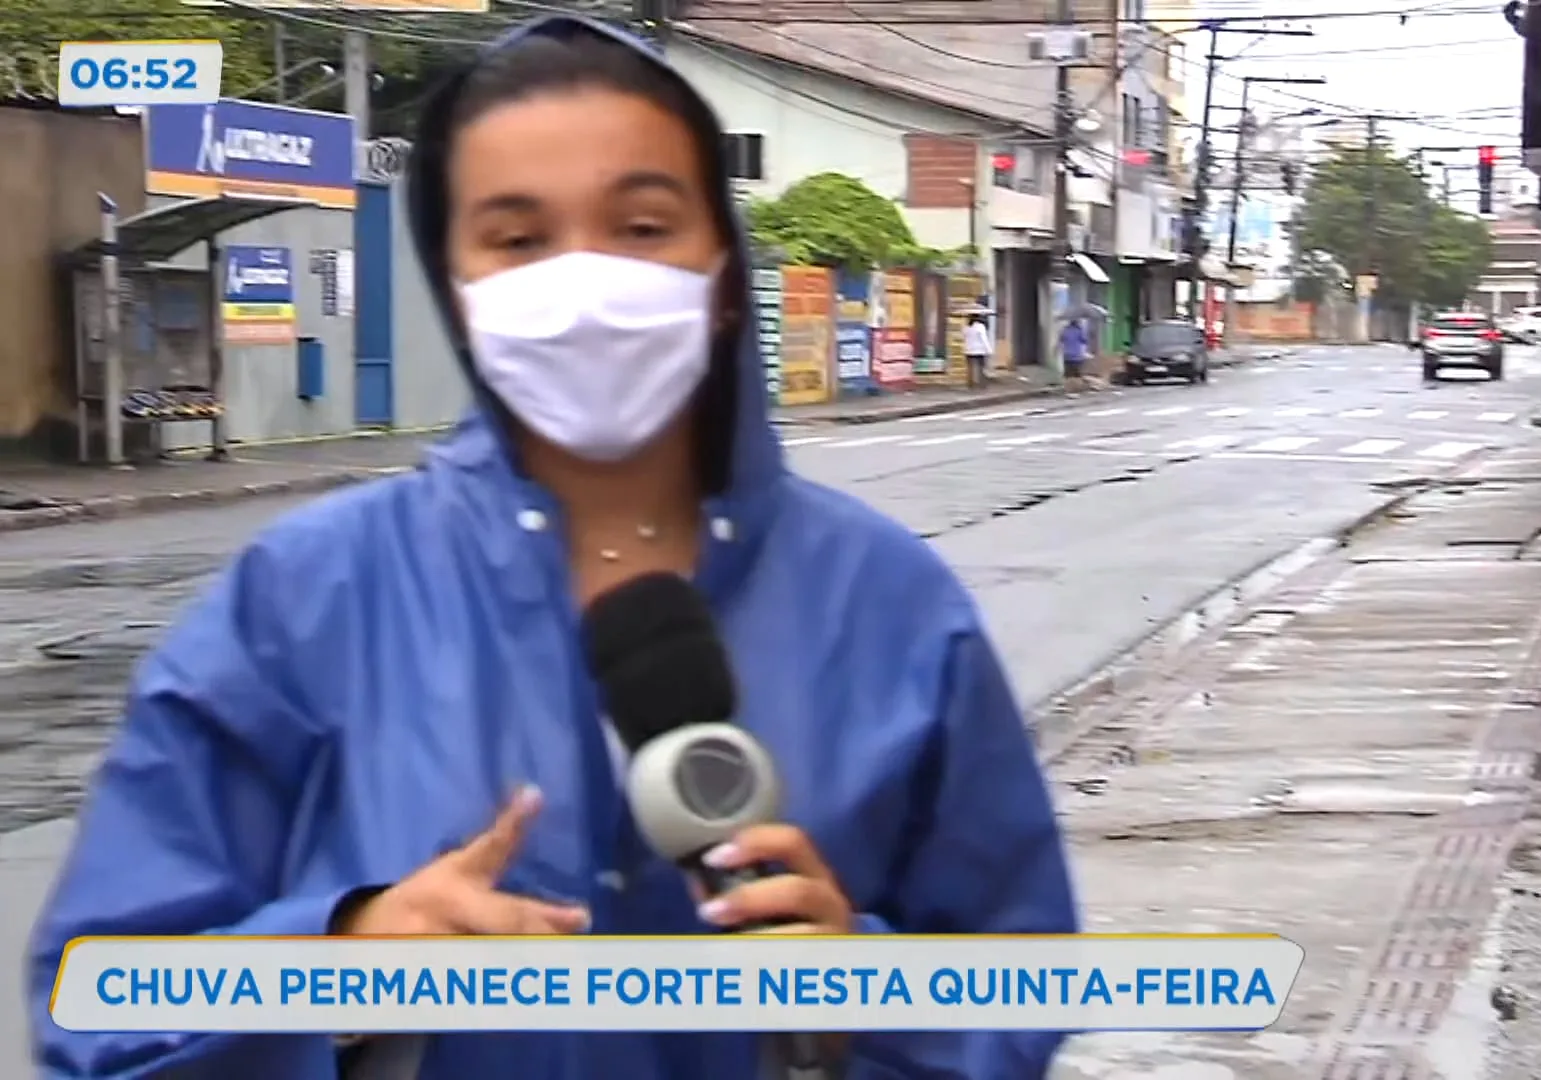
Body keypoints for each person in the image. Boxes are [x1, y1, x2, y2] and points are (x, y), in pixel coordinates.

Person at [29, 16, 1076, 1080]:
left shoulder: (895, 608)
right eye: (519, 240)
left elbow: (1020, 988)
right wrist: (336, 964)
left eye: (643, 225)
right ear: (457, 287)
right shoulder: (306, 598)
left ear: (722, 270)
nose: (585, 286)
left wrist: (861, 991)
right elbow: (97, 1004)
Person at [962, 313, 992, 387]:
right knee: (980, 368)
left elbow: (964, 337)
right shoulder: (980, 327)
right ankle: (981, 384)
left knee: (970, 368)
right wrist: (988, 350)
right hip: (979, 350)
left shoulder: (966, 327)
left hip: (968, 350)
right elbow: (984, 339)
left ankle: (970, 384)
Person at [1060, 318, 1090, 389]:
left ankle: (1068, 389)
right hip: (1077, 356)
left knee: (1068, 374)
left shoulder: (1065, 330)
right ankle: (1076, 389)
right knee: (1077, 374)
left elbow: (1061, 339)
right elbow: (1085, 340)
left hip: (1067, 355)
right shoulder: (1079, 330)